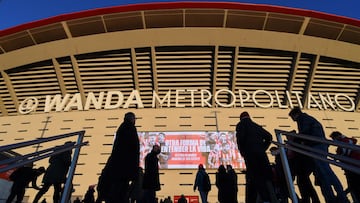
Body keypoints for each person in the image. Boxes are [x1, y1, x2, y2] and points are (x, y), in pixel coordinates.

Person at [288, 107, 349, 203]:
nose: (293, 120)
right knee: (322, 173)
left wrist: (296, 140)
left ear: (296, 114)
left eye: (292, 117)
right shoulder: (307, 119)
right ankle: (333, 197)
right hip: (317, 146)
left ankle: (338, 197)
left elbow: (306, 133)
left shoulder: (303, 119)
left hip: (316, 146)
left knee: (325, 172)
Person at [96, 112, 140, 203]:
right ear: (132, 119)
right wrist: (134, 171)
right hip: (125, 168)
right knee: (121, 192)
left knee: (117, 190)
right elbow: (134, 150)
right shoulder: (131, 129)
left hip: (117, 167)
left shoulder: (121, 129)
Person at [235, 111, 277, 203]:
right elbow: (269, 136)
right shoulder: (256, 126)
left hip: (250, 156)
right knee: (266, 177)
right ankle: (272, 198)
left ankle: (263, 199)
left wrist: (243, 152)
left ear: (240, 118)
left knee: (255, 177)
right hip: (262, 156)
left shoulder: (240, 125)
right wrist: (263, 148)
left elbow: (240, 140)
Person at [330, 131, 360, 203]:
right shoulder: (349, 141)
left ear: (338, 136)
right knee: (353, 186)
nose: (334, 141)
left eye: (334, 138)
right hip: (352, 167)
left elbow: (344, 151)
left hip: (352, 167)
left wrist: (337, 156)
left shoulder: (346, 142)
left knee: (354, 186)